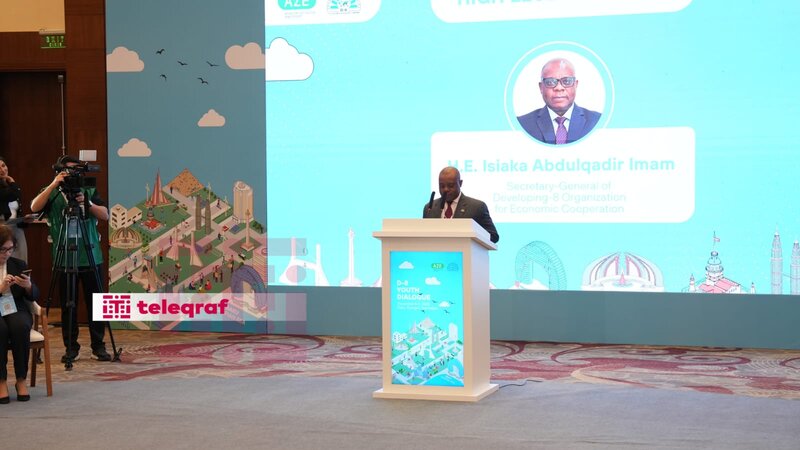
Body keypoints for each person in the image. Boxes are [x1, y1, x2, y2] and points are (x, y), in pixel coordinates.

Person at [30, 155, 111, 362]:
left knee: (97, 304)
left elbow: (105, 215)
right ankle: (71, 348)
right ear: (59, 171)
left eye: (76, 170)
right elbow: (34, 207)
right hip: (64, 257)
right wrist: (53, 184)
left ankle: (98, 346)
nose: (73, 174)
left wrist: (88, 203)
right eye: (68, 170)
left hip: (91, 255)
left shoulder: (88, 190)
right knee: (68, 305)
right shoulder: (53, 192)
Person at [517, 58, 601, 145]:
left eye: (567, 81)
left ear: (576, 85)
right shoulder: (522, 125)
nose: (559, 88)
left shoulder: (597, 122)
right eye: (550, 82)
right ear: (541, 87)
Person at [0, 224, 39, 403]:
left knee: (21, 326)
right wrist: (1, 289)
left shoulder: (19, 265)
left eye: (10, 249)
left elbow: (35, 295)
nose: (7, 254)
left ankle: (21, 379)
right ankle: (1, 381)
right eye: (2, 250)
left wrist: (28, 286)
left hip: (15, 307)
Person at [423, 166, 499, 243]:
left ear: (460, 183)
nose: (446, 189)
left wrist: (471, 238)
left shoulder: (477, 207)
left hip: (465, 250)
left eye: (450, 186)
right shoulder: (429, 208)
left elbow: (493, 236)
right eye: (442, 186)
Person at [0, 157, 27, 262]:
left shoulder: (9, 186)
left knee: (20, 261)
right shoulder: (11, 187)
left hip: (16, 228)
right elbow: (14, 194)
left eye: (3, 166)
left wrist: (24, 219)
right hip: (2, 228)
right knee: (5, 262)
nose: (2, 170)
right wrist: (12, 181)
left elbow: (15, 209)